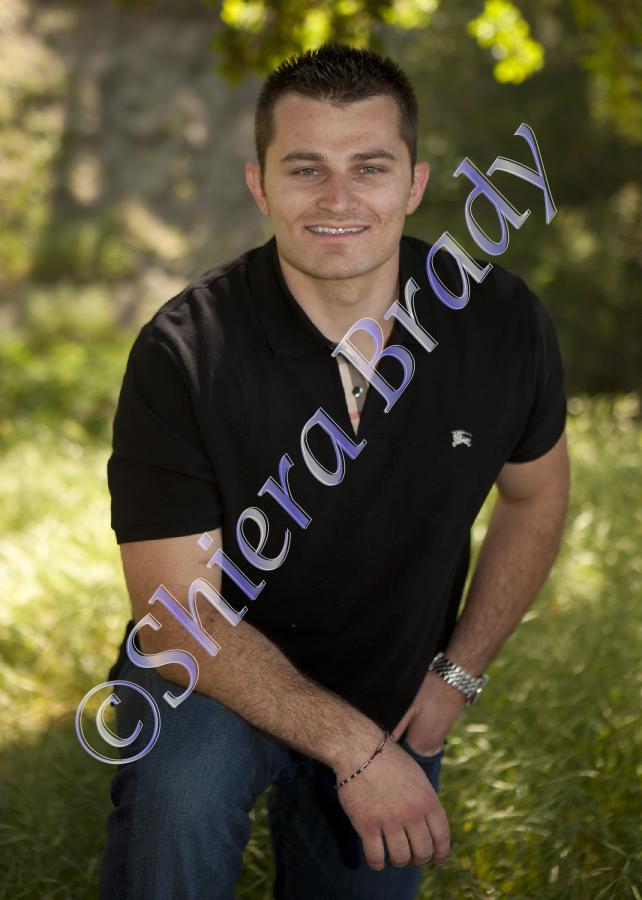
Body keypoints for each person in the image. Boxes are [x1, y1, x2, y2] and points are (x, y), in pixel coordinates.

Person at [98, 42, 570, 900]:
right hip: (211, 676)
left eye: (370, 167)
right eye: (306, 168)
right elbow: (177, 622)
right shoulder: (186, 352)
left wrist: (456, 676)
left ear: (414, 185)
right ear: (261, 185)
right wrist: (355, 749)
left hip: (392, 683)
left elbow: (535, 494)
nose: (339, 199)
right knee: (181, 801)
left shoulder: (501, 322)